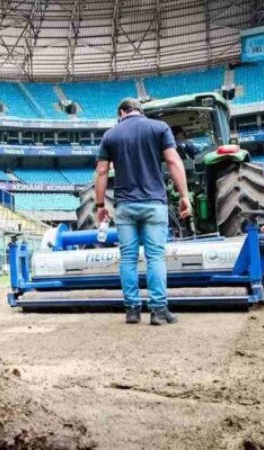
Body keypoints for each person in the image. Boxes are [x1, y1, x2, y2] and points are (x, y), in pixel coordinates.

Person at [95, 98, 191, 325]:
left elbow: (101, 172)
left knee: (128, 258)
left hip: (124, 205)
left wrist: (100, 206)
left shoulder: (111, 135)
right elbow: (173, 162)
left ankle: (132, 310)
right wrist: (185, 196)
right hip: (154, 203)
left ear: (121, 112)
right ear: (140, 110)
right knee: (155, 257)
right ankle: (158, 311)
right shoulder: (159, 128)